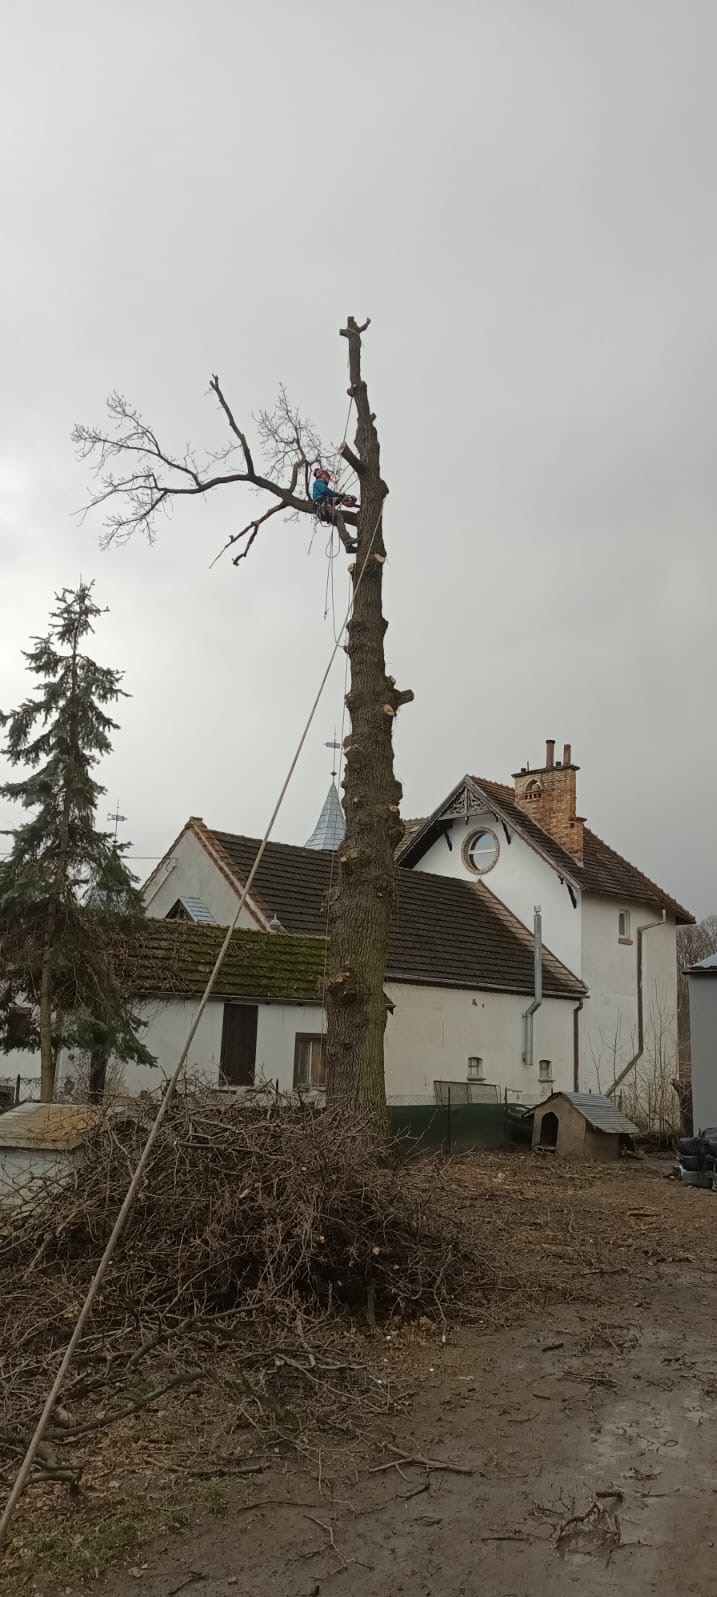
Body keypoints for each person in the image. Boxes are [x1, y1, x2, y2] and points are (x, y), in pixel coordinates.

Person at [311, 468, 357, 552]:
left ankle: (348, 547)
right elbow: (326, 491)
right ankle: (347, 540)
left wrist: (341, 498)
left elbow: (332, 500)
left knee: (339, 522)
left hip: (325, 509)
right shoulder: (318, 482)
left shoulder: (325, 495)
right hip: (322, 507)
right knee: (338, 516)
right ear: (321, 475)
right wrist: (338, 494)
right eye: (327, 476)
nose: (328, 478)